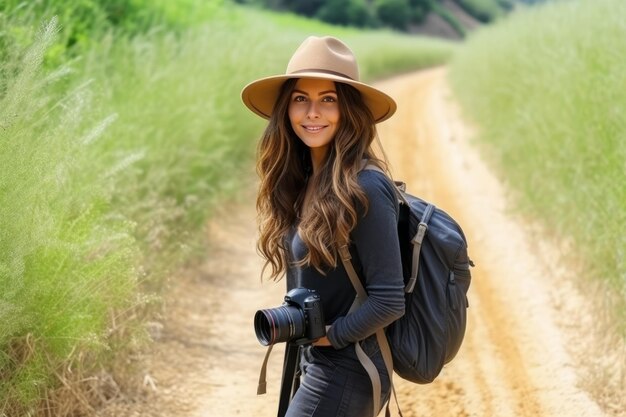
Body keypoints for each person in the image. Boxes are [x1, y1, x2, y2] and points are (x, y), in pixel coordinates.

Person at [241, 36, 405, 417]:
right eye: (301, 98)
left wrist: (331, 336)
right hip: (316, 363)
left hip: (349, 368)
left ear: (347, 110)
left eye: (328, 99)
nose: (312, 112)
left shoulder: (365, 186)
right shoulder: (305, 181)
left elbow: (389, 298)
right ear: (287, 108)